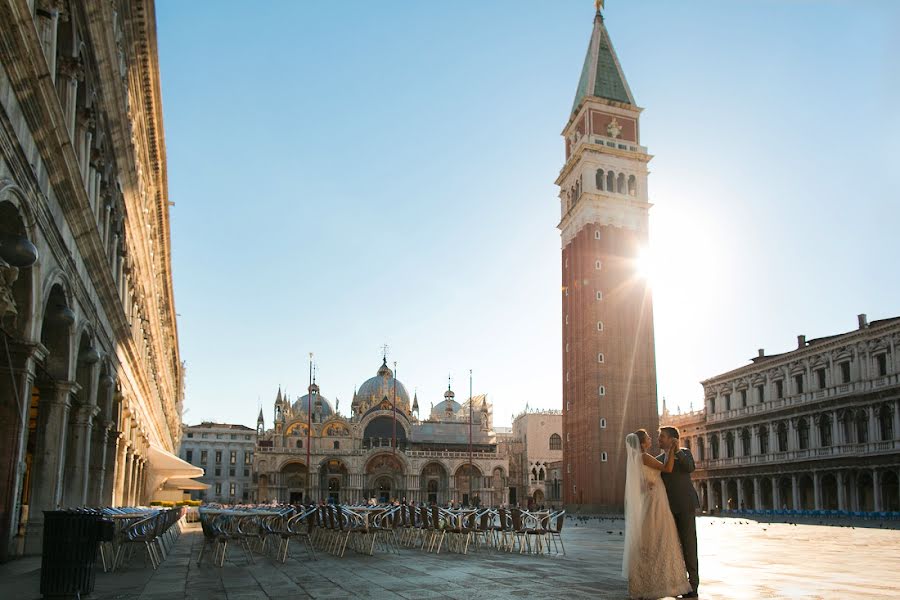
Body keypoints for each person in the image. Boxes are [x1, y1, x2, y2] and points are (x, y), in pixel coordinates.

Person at [623, 429, 693, 600]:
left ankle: (654, 582)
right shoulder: (647, 457)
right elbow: (667, 469)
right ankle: (663, 582)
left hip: (663, 501)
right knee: (661, 541)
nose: (653, 439)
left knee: (660, 541)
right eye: (648, 438)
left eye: (659, 436)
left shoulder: (640, 459)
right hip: (658, 503)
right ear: (641, 443)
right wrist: (670, 452)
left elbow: (639, 485)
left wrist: (647, 483)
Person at [657, 426, 701, 598]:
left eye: (662, 437)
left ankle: (693, 585)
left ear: (673, 439)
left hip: (685, 506)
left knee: (689, 546)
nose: (659, 440)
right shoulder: (659, 459)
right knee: (674, 548)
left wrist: (677, 450)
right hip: (668, 509)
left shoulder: (685, 453)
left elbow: (690, 467)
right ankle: (678, 583)